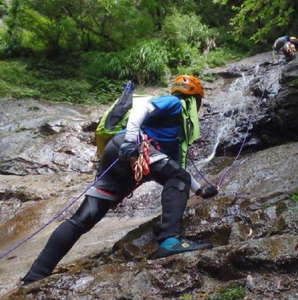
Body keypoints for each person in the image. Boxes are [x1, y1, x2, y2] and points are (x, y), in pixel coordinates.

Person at [21, 75, 218, 285]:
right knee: (176, 177)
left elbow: (177, 172)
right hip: (134, 148)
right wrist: (131, 140)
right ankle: (170, 241)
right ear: (196, 99)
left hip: (120, 156)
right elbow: (142, 107)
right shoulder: (175, 103)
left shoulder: (176, 131)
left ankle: (36, 275)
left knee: (84, 218)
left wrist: (199, 191)